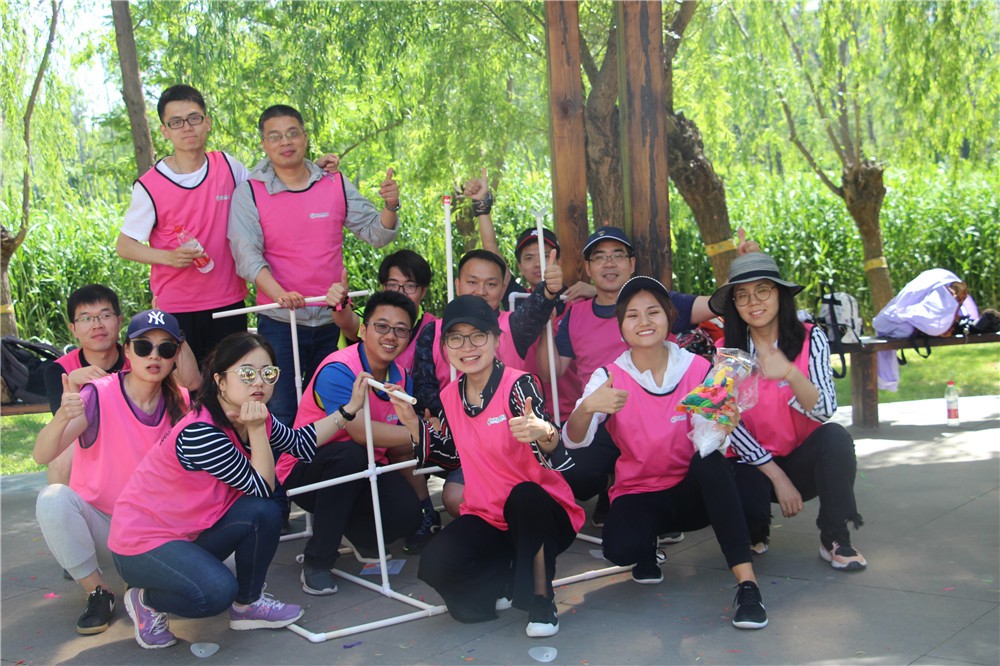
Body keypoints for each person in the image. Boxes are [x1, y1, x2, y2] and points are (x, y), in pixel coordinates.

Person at [564, 276, 769, 630]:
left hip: (689, 492)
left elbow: (711, 440)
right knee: (620, 549)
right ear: (621, 326)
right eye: (632, 315)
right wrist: (587, 408)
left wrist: (721, 424)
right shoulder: (608, 376)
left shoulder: (698, 369)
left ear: (670, 317)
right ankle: (646, 546)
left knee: (712, 463)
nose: (644, 322)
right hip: (638, 492)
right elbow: (574, 440)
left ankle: (748, 587)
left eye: (653, 312)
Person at [391, 295, 582, 638]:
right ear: (445, 347)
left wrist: (542, 431)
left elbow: (555, 449)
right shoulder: (450, 396)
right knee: (436, 563)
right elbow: (450, 456)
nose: (467, 346)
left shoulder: (518, 385)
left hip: (543, 515)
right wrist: (411, 423)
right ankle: (506, 576)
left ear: (496, 340)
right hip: (489, 516)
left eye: (478, 335)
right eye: (455, 338)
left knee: (525, 495)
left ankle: (541, 600)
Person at [228, 104, 400, 426]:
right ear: (264, 144)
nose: (285, 141)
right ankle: (283, 461)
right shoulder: (249, 192)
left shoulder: (334, 183)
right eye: (275, 136)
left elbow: (376, 233)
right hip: (279, 321)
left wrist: (391, 205)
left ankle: (331, 459)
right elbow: (246, 255)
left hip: (333, 318)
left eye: (293, 133)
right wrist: (280, 294)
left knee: (335, 412)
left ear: (305, 138)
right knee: (280, 411)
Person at [33, 309, 191, 636]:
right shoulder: (98, 393)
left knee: (223, 574)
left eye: (165, 349)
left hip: (155, 529)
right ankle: (97, 591)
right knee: (53, 499)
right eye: (144, 346)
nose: (154, 356)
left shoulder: (181, 401)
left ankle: (143, 584)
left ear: (176, 355)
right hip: (104, 526)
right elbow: (41, 455)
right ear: (127, 350)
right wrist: (63, 416)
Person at [538, 226, 708, 528]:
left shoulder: (661, 302)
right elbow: (552, 371)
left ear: (631, 263)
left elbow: (716, 304)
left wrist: (739, 269)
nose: (609, 263)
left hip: (658, 414)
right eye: (599, 257)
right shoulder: (575, 314)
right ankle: (612, 486)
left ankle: (664, 505)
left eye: (617, 255)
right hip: (604, 414)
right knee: (572, 471)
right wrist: (543, 316)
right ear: (588, 268)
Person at [710, 252, 867, 570]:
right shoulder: (727, 352)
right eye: (742, 295)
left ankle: (835, 537)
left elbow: (825, 410)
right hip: (752, 464)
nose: (753, 302)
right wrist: (776, 475)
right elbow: (729, 425)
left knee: (836, 438)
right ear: (734, 305)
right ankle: (756, 531)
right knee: (745, 517)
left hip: (801, 459)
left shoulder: (811, 337)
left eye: (762, 290)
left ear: (780, 294)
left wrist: (790, 373)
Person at [276, 291, 422, 594]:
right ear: (363, 330)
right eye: (381, 326)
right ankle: (317, 560)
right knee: (351, 454)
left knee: (407, 514)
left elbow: (397, 442)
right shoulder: (339, 369)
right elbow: (360, 432)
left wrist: (428, 436)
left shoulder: (401, 377)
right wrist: (424, 434)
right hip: (307, 470)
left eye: (401, 330)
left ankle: (352, 532)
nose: (391, 336)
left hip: (364, 469)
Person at [411, 248, 564, 520]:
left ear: (503, 287)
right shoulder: (433, 331)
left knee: (522, 497)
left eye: (491, 284)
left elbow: (535, 310)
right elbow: (425, 387)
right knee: (454, 497)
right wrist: (445, 418)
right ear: (458, 283)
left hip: (513, 445)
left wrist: (549, 290)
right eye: (472, 282)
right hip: (463, 444)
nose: (481, 291)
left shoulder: (512, 325)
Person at [115, 85, 251, 364]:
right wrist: (169, 257)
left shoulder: (228, 166)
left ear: (207, 122)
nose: (187, 127)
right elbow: (125, 246)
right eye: (176, 122)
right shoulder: (150, 185)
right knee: (186, 386)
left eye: (194, 118)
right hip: (178, 307)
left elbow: (265, 193)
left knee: (231, 380)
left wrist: (309, 168)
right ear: (165, 131)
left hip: (229, 301)